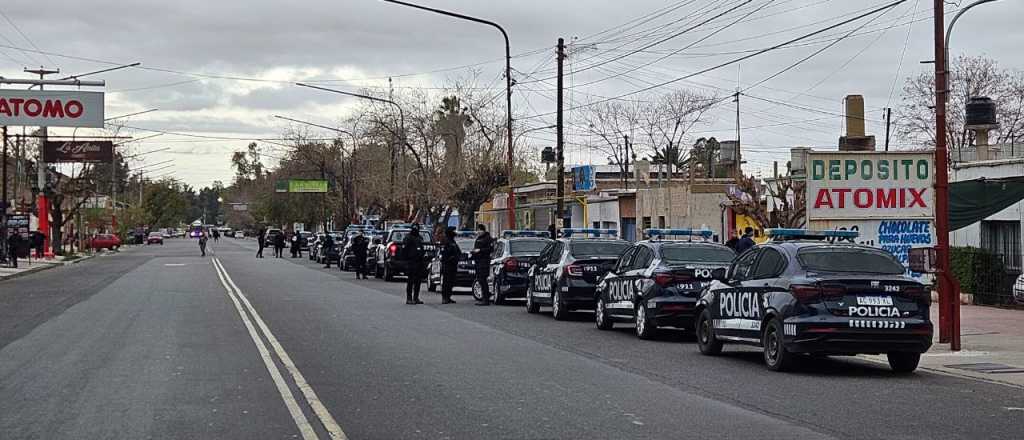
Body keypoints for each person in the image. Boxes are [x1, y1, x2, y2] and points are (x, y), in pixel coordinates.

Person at [401, 224, 427, 305]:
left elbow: (422, 248)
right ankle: (409, 298)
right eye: (414, 228)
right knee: (410, 280)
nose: (416, 230)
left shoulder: (419, 238)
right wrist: (406, 261)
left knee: (418, 281)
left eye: (417, 228)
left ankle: (416, 298)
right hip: (411, 262)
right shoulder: (408, 238)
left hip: (419, 262)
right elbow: (404, 250)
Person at [471, 224, 495, 306]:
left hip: (484, 262)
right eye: (477, 230)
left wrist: (480, 250)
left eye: (479, 230)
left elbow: (490, 249)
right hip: (478, 262)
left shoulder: (488, 238)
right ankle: (484, 298)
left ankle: (486, 299)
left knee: (483, 280)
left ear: (483, 230)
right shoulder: (479, 238)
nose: (478, 232)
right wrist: (473, 252)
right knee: (480, 280)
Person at [439, 227, 460, 304]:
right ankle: (444, 297)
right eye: (453, 231)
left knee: (451, 281)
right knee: (446, 281)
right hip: (447, 264)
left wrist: (458, 256)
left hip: (453, 264)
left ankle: (448, 296)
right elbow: (444, 253)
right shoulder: (445, 241)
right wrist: (449, 258)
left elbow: (458, 251)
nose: (455, 232)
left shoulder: (453, 241)